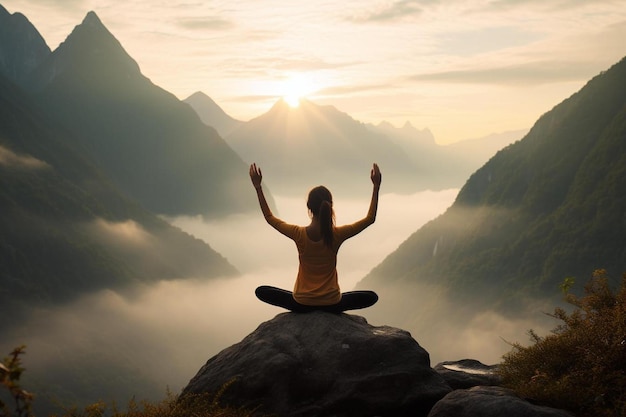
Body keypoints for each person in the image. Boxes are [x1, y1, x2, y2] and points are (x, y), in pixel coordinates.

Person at [249, 162, 382, 313]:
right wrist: (376, 186)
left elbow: (269, 218)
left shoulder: (298, 234)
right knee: (370, 297)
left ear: (309, 207)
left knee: (262, 291)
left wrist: (258, 187)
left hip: (301, 303)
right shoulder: (337, 235)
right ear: (330, 206)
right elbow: (370, 219)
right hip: (331, 304)